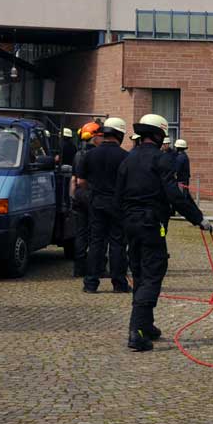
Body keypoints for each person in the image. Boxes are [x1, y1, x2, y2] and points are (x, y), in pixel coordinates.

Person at [118, 113, 212, 352]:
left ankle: (146, 325)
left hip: (130, 223)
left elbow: (117, 195)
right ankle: (137, 332)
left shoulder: (128, 159)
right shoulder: (162, 160)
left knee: (139, 272)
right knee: (152, 273)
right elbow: (175, 195)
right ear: (160, 135)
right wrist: (198, 218)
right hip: (151, 224)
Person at [82, 118, 131, 294]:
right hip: (117, 204)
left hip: (96, 203)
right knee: (117, 244)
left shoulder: (90, 154)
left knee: (96, 243)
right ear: (120, 134)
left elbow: (81, 181)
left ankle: (90, 283)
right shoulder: (125, 156)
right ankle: (119, 283)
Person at [70, 121, 102, 277]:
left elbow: (74, 179)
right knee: (96, 234)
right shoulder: (95, 155)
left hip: (79, 197)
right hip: (92, 195)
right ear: (94, 137)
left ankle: (78, 268)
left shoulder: (78, 154)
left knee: (80, 234)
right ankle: (97, 268)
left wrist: (72, 197)